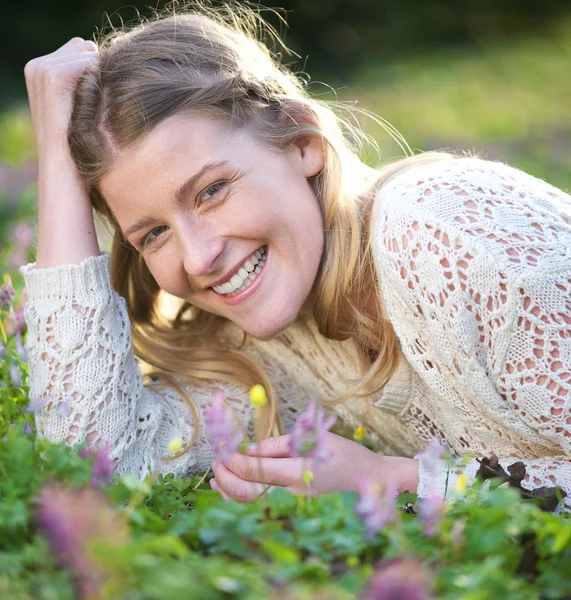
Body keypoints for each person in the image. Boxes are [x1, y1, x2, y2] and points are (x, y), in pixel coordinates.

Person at [22, 3, 571, 509]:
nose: (199, 257)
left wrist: (398, 483)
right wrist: (55, 168)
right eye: (154, 234)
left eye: (211, 191)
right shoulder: (254, 351)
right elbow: (99, 474)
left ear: (302, 142)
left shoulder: (444, 232)